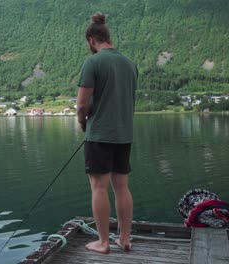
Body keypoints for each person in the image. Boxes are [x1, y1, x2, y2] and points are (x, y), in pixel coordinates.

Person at [77, 12, 138, 254]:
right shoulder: (129, 63)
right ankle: (124, 239)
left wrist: (83, 122)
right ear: (107, 37)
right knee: (121, 187)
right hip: (124, 134)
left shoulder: (92, 63)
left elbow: (82, 105)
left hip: (100, 135)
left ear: (92, 40)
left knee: (99, 188)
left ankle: (103, 243)